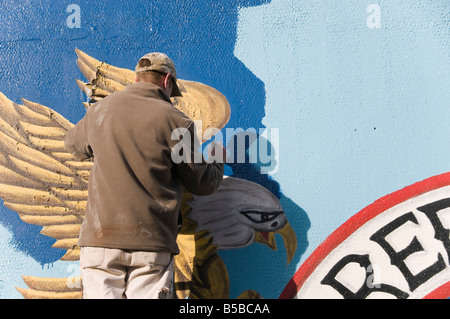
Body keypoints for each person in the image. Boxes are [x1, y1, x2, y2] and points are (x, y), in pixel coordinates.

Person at [64, 52, 226, 299]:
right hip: (151, 245)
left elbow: (73, 145)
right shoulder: (176, 122)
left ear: (137, 78)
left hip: (101, 240)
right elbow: (201, 183)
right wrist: (216, 160)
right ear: (167, 80)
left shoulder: (101, 110)